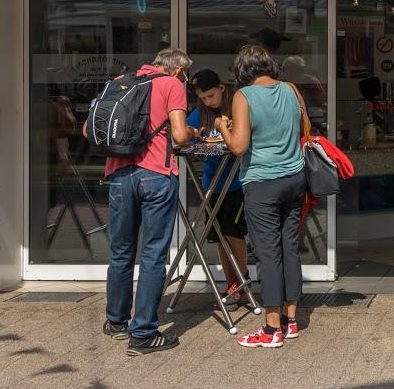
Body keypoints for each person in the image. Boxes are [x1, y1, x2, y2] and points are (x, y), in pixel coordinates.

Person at [98, 48, 193, 355]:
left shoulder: (119, 82)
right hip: (155, 174)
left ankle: (115, 321)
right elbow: (179, 136)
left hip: (119, 175)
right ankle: (143, 334)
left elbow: (90, 129)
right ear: (177, 70)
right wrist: (190, 131)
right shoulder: (171, 85)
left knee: (121, 250)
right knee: (153, 254)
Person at [215, 45, 306, 349]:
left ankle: (271, 329)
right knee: (289, 248)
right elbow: (304, 128)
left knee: (268, 253)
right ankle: (291, 320)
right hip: (295, 178)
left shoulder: (244, 96)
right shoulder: (291, 89)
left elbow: (239, 147)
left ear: (242, 71)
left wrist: (222, 127)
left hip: (263, 182)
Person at [186, 69, 249, 309]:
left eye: (211, 96)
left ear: (222, 88)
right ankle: (231, 280)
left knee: (234, 232)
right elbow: (187, 132)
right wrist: (192, 133)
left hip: (237, 181)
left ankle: (242, 279)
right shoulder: (201, 112)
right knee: (219, 236)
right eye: (203, 98)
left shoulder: (236, 106)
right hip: (212, 182)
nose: (208, 101)